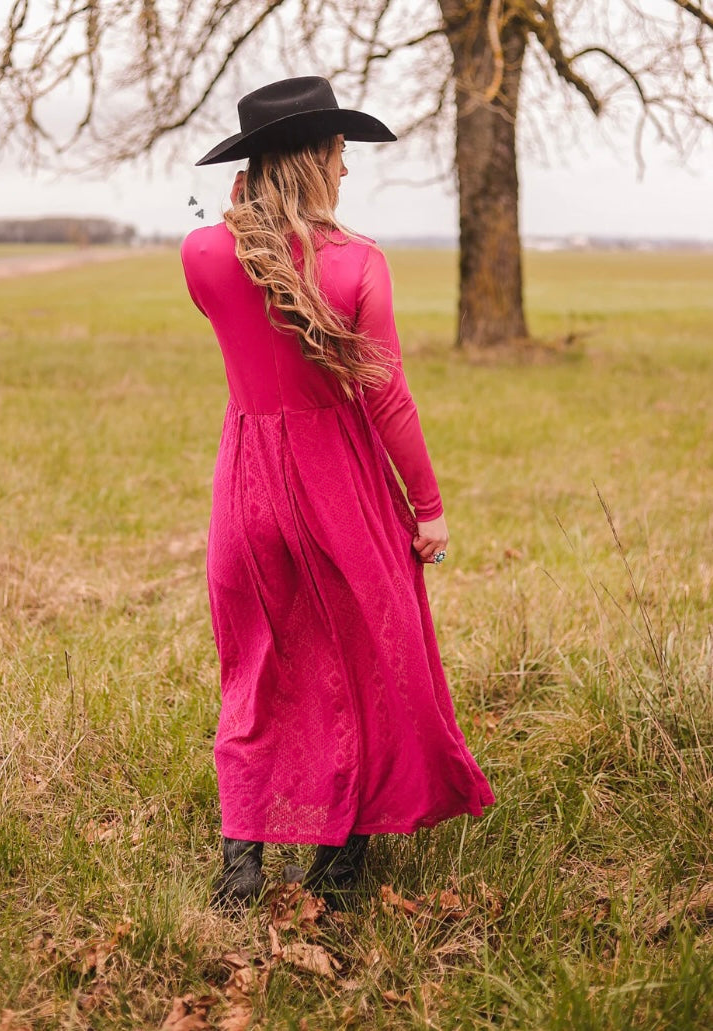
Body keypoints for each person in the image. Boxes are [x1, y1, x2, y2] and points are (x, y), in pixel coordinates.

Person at [180, 76, 494, 909]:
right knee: (356, 666)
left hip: (245, 488)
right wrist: (426, 506)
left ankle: (241, 866)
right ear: (314, 161)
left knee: (253, 668)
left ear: (250, 168)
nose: (348, 172)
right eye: (340, 155)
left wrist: (242, 207)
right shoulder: (357, 262)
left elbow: (239, 265)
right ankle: (337, 863)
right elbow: (386, 397)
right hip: (339, 487)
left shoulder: (203, 255)